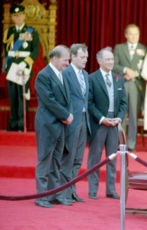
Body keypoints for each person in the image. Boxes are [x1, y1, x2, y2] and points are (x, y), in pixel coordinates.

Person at [34, 45, 72, 208]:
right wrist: (65, 115)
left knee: (56, 160)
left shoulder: (62, 74)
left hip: (60, 125)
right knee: (44, 159)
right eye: (65, 60)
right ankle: (41, 196)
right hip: (48, 124)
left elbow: (66, 99)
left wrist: (66, 116)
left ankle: (54, 194)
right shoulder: (43, 76)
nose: (67, 63)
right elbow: (49, 100)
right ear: (54, 58)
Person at [87, 47, 127, 200]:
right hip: (99, 123)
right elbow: (90, 103)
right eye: (108, 59)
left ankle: (111, 190)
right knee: (95, 158)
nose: (111, 62)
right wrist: (102, 119)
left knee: (112, 158)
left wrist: (119, 118)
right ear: (99, 61)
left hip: (114, 123)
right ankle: (92, 190)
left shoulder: (118, 78)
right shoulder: (92, 78)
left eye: (112, 59)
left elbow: (123, 103)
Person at [60, 44, 90, 203]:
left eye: (86, 57)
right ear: (73, 56)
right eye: (82, 57)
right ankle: (62, 193)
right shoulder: (65, 73)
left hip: (84, 121)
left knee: (78, 158)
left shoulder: (85, 75)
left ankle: (71, 190)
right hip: (71, 121)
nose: (85, 60)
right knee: (68, 157)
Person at [3, 4, 40, 131]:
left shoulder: (31, 31)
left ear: (24, 15)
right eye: (15, 16)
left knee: (21, 95)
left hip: (24, 67)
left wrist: (26, 62)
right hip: (12, 66)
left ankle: (20, 124)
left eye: (20, 15)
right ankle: (12, 125)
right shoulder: (8, 32)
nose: (18, 18)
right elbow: (6, 51)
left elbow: (35, 50)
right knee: (12, 95)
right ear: (12, 17)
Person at [113, 24, 147, 151]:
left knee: (134, 115)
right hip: (122, 83)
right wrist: (125, 70)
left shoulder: (144, 49)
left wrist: (135, 73)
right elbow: (114, 65)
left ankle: (131, 144)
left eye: (136, 34)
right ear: (126, 35)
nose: (134, 37)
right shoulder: (119, 48)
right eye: (131, 34)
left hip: (135, 85)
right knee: (121, 114)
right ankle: (120, 143)